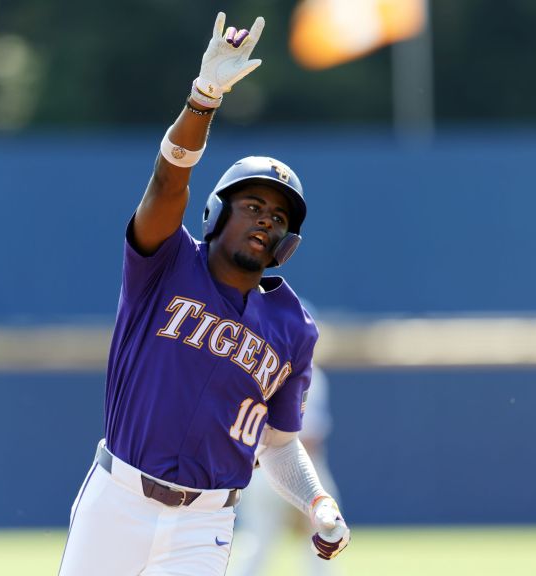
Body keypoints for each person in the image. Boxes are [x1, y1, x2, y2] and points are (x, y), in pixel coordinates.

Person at [58, 12, 350, 576]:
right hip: (118, 502)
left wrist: (318, 501)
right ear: (216, 212)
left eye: (279, 216)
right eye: (253, 205)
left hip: (207, 524)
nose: (265, 220)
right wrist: (203, 99)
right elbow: (169, 181)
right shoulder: (165, 263)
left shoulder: (293, 326)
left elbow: (281, 444)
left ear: (287, 241)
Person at [228, 364, 344, 576]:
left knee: (256, 548)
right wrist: (306, 497)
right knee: (325, 547)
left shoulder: (254, 364)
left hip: (257, 470)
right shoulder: (311, 373)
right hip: (295, 469)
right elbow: (308, 437)